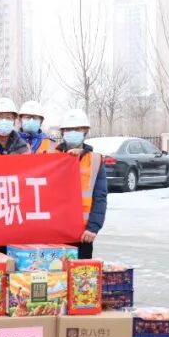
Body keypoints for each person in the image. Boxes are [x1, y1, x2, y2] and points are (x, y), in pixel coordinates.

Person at [56, 109, 106, 259]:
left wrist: (93, 227)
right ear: (62, 132)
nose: (72, 132)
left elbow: (100, 197)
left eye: (77, 129)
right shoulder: (50, 156)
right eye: (68, 129)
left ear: (86, 131)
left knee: (81, 272)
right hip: (54, 231)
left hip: (83, 233)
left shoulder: (95, 160)